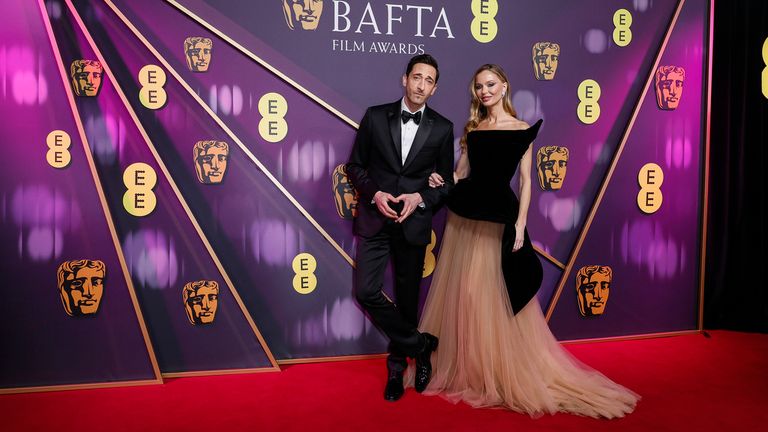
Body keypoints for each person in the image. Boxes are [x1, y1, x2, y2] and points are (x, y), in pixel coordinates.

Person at [412, 64, 639, 418]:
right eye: (479, 87)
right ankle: (472, 369)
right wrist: (444, 180)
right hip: (466, 217)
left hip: (500, 219)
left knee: (493, 295)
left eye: (490, 85)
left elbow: (527, 182)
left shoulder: (521, 130)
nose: (484, 92)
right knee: (467, 297)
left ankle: (497, 372)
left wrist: (520, 226)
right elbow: (461, 174)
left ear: (504, 86)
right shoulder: (474, 129)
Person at [346, 54, 455, 401]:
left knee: (408, 301)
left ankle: (397, 368)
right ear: (404, 79)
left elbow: (446, 184)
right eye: (417, 77)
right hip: (375, 219)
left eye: (429, 81)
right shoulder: (376, 116)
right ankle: (420, 345)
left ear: (435, 87)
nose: (421, 85)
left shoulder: (443, 127)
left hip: (414, 224)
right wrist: (376, 193)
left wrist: (420, 198)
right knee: (365, 291)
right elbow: (355, 166)